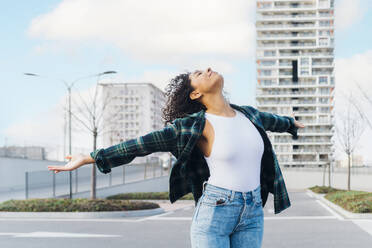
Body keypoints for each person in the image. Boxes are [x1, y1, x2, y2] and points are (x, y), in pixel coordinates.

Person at [48, 67, 305, 248]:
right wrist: (90, 156)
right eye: (199, 74)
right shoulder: (193, 125)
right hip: (216, 210)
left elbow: (276, 121)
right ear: (195, 94)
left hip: (253, 211)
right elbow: (140, 145)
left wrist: (292, 124)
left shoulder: (249, 115)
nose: (207, 69)